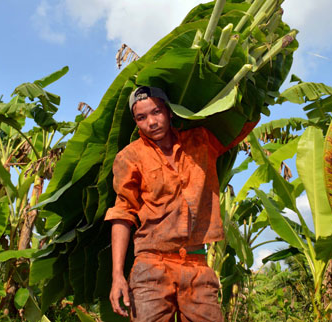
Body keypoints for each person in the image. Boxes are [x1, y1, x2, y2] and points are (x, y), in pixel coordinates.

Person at [105, 86, 257, 321]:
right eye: (141, 117)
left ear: (170, 112)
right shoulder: (130, 156)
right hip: (151, 266)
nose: (151, 122)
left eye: (156, 112)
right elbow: (123, 213)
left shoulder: (201, 140)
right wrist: (117, 276)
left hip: (197, 266)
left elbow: (241, 123)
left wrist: (251, 86)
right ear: (136, 122)